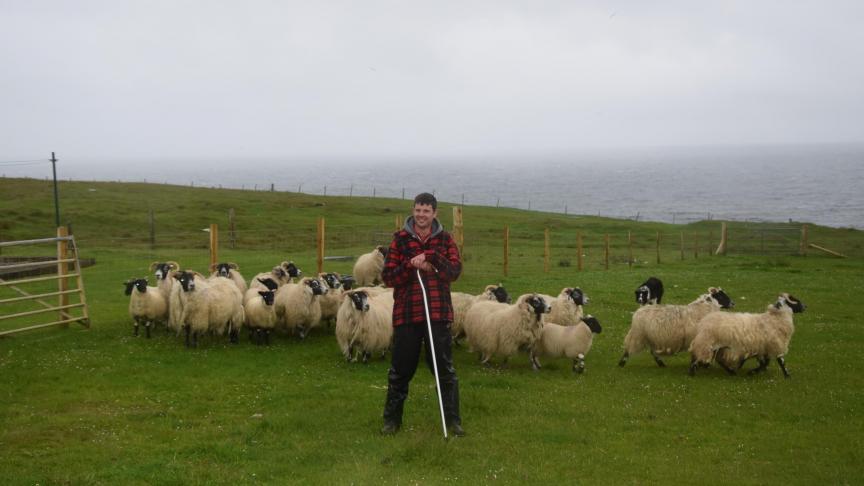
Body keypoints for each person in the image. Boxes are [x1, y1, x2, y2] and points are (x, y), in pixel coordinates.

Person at [380, 192, 464, 436]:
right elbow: (388, 277)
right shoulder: (400, 240)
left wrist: (431, 258)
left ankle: (452, 421)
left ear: (434, 213)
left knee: (444, 369)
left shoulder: (446, 240)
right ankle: (391, 421)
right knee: (400, 370)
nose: (421, 215)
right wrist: (411, 265)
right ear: (413, 211)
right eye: (418, 210)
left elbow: (454, 271)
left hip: (438, 313)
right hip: (407, 314)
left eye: (426, 211)